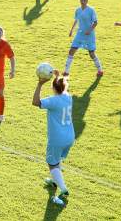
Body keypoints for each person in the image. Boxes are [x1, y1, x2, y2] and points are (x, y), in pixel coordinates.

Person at [32, 70, 74, 206]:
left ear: (53, 88)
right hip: (70, 136)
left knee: (52, 163)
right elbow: (62, 86)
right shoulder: (68, 97)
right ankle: (55, 181)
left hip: (57, 138)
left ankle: (64, 189)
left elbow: (35, 102)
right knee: (56, 160)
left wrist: (39, 84)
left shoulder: (53, 101)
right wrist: (57, 77)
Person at [64, 0, 103, 77]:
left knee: (91, 53)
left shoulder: (91, 10)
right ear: (80, 0)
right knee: (71, 51)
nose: (83, 1)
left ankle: (100, 70)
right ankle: (66, 72)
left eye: (84, 0)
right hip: (80, 34)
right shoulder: (77, 10)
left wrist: (89, 30)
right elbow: (76, 20)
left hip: (89, 35)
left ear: (87, 0)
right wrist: (71, 30)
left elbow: (95, 22)